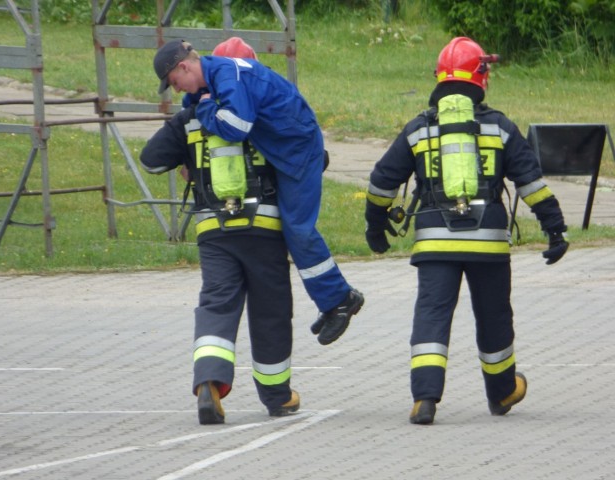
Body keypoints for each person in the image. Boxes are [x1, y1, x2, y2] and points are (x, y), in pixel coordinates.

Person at [364, 37, 569, 425]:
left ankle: (424, 399)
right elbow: (531, 183)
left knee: (431, 316)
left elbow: (381, 181)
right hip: (488, 244)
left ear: (439, 79)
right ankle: (502, 391)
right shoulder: (500, 128)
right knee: (493, 316)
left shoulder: (419, 129)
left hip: (434, 242)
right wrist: (554, 230)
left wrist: (375, 228)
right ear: (482, 78)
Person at [152, 38, 364, 346]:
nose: (178, 90)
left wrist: (209, 106)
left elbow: (236, 125)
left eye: (175, 82)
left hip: (298, 151)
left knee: (297, 230)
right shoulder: (210, 77)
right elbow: (193, 110)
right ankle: (333, 297)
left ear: (184, 66)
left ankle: (340, 301)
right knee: (287, 230)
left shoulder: (227, 75)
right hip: (280, 149)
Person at [140, 38, 299, 425]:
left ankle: (209, 384)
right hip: (262, 227)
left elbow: (150, 159)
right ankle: (278, 397)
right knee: (270, 312)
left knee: (216, 304)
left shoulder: (191, 116)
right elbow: (310, 158)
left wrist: (189, 159)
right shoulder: (265, 112)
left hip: (214, 230)